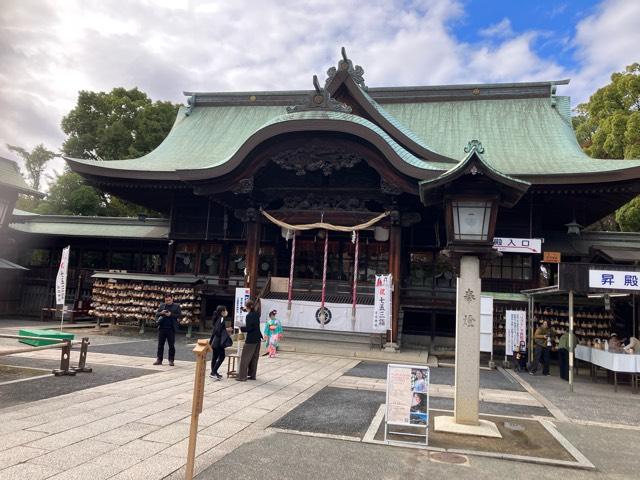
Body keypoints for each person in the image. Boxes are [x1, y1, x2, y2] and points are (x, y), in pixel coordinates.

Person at [236, 300, 263, 381]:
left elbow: (249, 328)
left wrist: (241, 327)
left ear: (248, 307)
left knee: (245, 357)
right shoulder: (256, 314)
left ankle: (242, 376)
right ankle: (252, 375)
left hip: (251, 339)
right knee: (254, 357)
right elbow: (254, 326)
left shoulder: (249, 316)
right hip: (258, 338)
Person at [154, 293, 181, 366]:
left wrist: (171, 314)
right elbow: (156, 314)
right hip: (162, 328)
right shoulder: (162, 305)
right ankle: (159, 359)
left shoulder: (176, 306)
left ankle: (171, 360)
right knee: (160, 345)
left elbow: (179, 315)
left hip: (171, 328)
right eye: (166, 300)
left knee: (171, 345)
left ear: (172, 299)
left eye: (169, 300)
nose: (168, 302)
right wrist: (161, 313)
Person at [209, 305, 231, 379]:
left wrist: (210, 341)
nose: (226, 312)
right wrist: (226, 330)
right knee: (222, 356)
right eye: (225, 310)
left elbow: (215, 331)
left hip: (215, 341)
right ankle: (213, 372)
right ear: (222, 312)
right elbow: (218, 331)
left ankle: (214, 372)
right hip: (218, 342)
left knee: (215, 357)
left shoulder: (217, 318)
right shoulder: (221, 318)